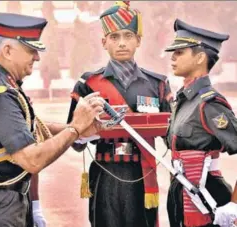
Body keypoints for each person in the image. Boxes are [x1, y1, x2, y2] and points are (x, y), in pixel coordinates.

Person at [0, 12, 105, 227]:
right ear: (7, 51)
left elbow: (31, 128)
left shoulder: (0, 80)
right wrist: (75, 128)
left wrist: (74, 129)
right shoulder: (1, 92)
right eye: (31, 50)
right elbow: (32, 160)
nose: (37, 57)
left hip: (4, 200)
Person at [67, 1, 172, 227]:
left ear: (138, 41)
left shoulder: (157, 84)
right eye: (114, 37)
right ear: (104, 42)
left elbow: (172, 137)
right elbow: (74, 140)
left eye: (128, 35)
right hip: (106, 174)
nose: (122, 43)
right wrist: (91, 131)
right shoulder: (88, 83)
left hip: (143, 176)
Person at [164, 19, 237, 227]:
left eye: (180, 52)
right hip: (181, 197)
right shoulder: (182, 102)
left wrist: (234, 205)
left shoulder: (209, 104)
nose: (173, 58)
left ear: (200, 58)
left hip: (208, 199)